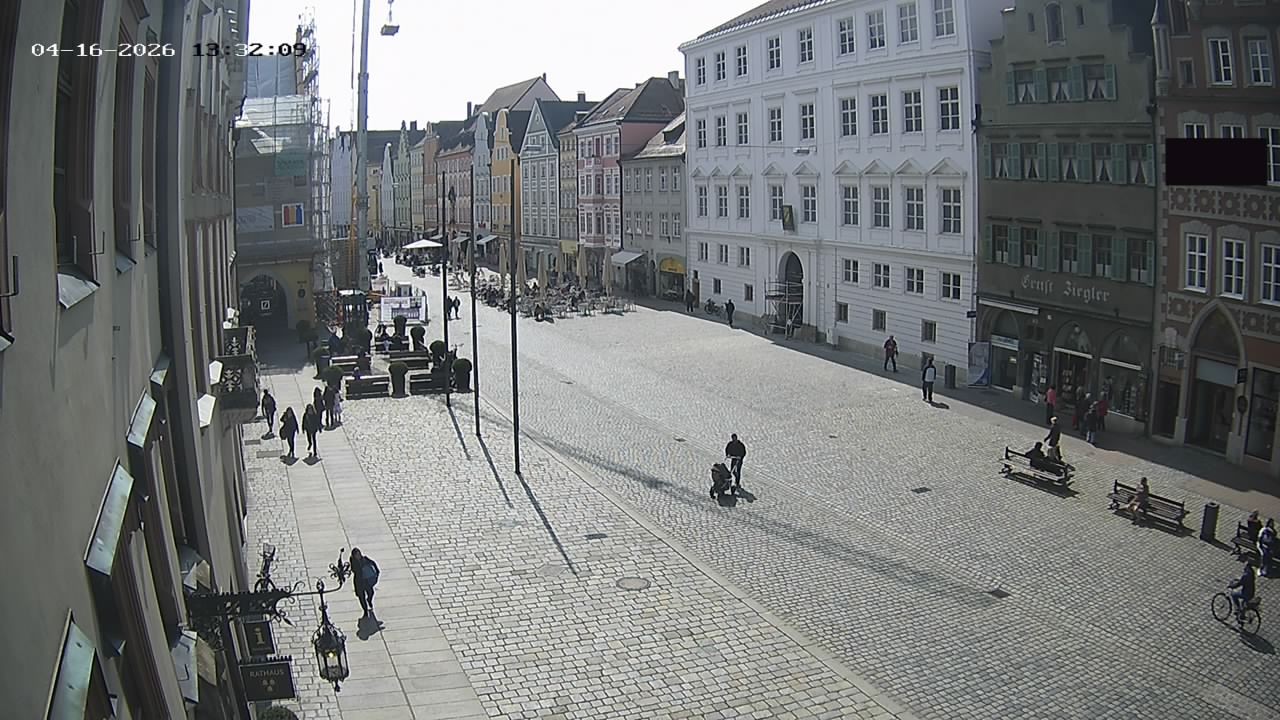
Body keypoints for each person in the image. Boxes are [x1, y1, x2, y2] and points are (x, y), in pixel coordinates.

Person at [350, 548, 380, 617]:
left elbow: (373, 563)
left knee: (371, 592)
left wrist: (377, 571)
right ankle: (365, 610)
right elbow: (354, 570)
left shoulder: (365, 559)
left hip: (366, 581)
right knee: (361, 597)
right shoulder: (353, 563)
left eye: (359, 554)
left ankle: (369, 600)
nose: (358, 556)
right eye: (356, 555)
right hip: (359, 582)